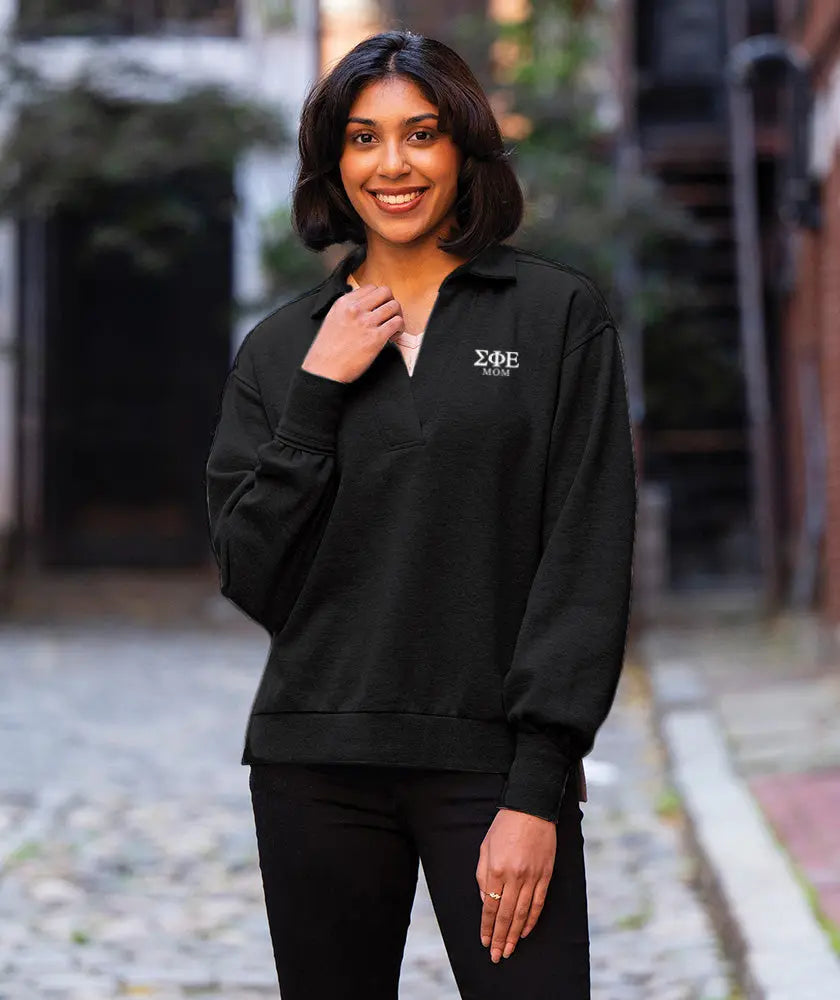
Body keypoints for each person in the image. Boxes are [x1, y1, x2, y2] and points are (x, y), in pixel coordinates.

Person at [205, 28, 637, 1000]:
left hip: (491, 764)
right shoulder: (280, 349)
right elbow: (249, 569)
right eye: (364, 138)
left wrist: (538, 783)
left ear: (462, 148)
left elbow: (585, 553)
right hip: (314, 763)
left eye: (421, 133)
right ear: (335, 162)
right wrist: (318, 393)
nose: (392, 165)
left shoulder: (553, 317)